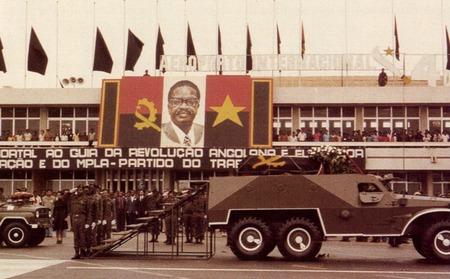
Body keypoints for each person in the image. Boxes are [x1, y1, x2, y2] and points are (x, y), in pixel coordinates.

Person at [161, 80, 204, 147]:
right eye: (176, 102)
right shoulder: (158, 133)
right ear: (169, 106)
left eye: (191, 102)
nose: (183, 107)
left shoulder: (206, 132)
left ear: (197, 106)